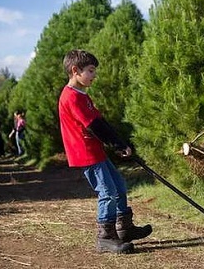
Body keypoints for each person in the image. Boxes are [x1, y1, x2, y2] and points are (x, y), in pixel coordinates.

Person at [58, 49, 152, 254]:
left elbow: (102, 123)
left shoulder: (83, 95)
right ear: (75, 70)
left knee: (119, 186)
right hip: (85, 153)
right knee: (107, 192)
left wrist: (120, 143)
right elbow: (94, 126)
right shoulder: (72, 97)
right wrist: (117, 145)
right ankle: (105, 237)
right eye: (90, 71)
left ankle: (124, 228)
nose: (94, 75)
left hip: (96, 150)